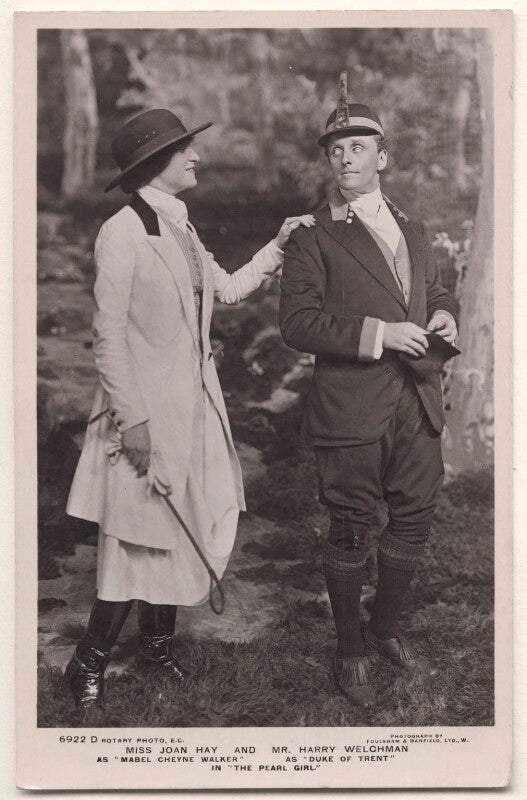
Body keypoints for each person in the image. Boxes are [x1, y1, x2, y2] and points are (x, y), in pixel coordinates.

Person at [65, 108, 314, 709]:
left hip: (195, 408)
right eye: (185, 151)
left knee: (184, 526)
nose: (196, 158)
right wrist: (137, 424)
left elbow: (226, 288)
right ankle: (86, 663)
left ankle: (156, 652)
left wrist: (278, 245)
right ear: (156, 164)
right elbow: (109, 337)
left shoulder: (181, 226)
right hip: (144, 415)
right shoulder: (123, 231)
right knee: (135, 537)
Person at [279, 75, 458, 709]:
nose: (346, 157)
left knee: (413, 517)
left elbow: (428, 293)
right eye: (336, 149)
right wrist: (382, 333)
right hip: (350, 406)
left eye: (359, 146)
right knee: (351, 526)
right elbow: (296, 325)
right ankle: (350, 646)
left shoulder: (413, 226)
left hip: (417, 400)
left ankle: (384, 631)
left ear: (383, 156)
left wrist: (444, 316)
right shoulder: (311, 235)